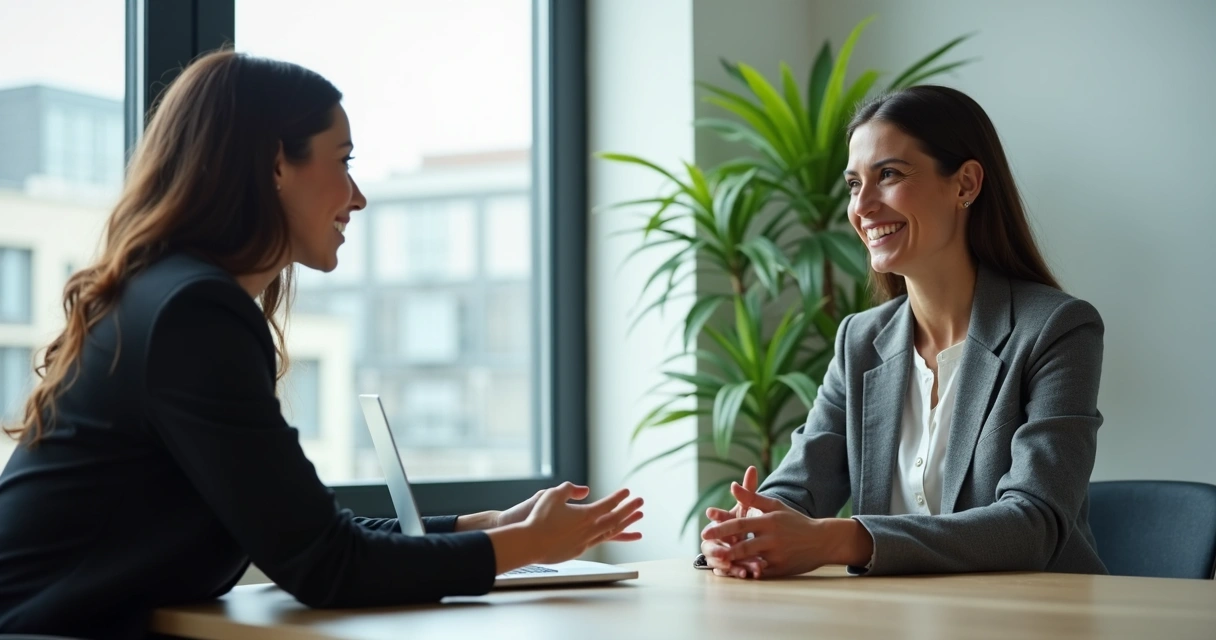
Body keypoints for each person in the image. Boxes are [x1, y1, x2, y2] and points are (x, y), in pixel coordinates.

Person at [0, 50, 643, 638]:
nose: (357, 197)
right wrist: (528, 547)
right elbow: (326, 565)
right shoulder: (193, 313)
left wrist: (489, 527)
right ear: (275, 163)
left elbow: (301, 529)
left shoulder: (167, 296)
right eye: (344, 162)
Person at [700, 85, 1105, 579]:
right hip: (892, 619)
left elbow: (1033, 524)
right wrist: (753, 529)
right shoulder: (860, 341)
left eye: (888, 175)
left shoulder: (1055, 329)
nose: (862, 206)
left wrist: (846, 537)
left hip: (1029, 621)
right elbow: (799, 489)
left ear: (966, 185)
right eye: (853, 184)